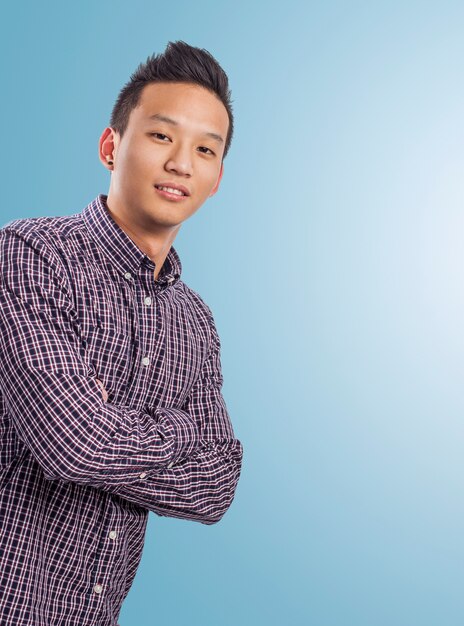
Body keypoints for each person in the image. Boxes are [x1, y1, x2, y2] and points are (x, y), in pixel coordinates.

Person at [0, 41, 243, 625]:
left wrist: (112, 427)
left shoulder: (195, 323)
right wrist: (180, 434)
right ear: (112, 146)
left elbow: (217, 487)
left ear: (215, 180)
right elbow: (73, 443)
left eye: (204, 149)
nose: (181, 162)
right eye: (162, 136)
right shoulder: (31, 257)